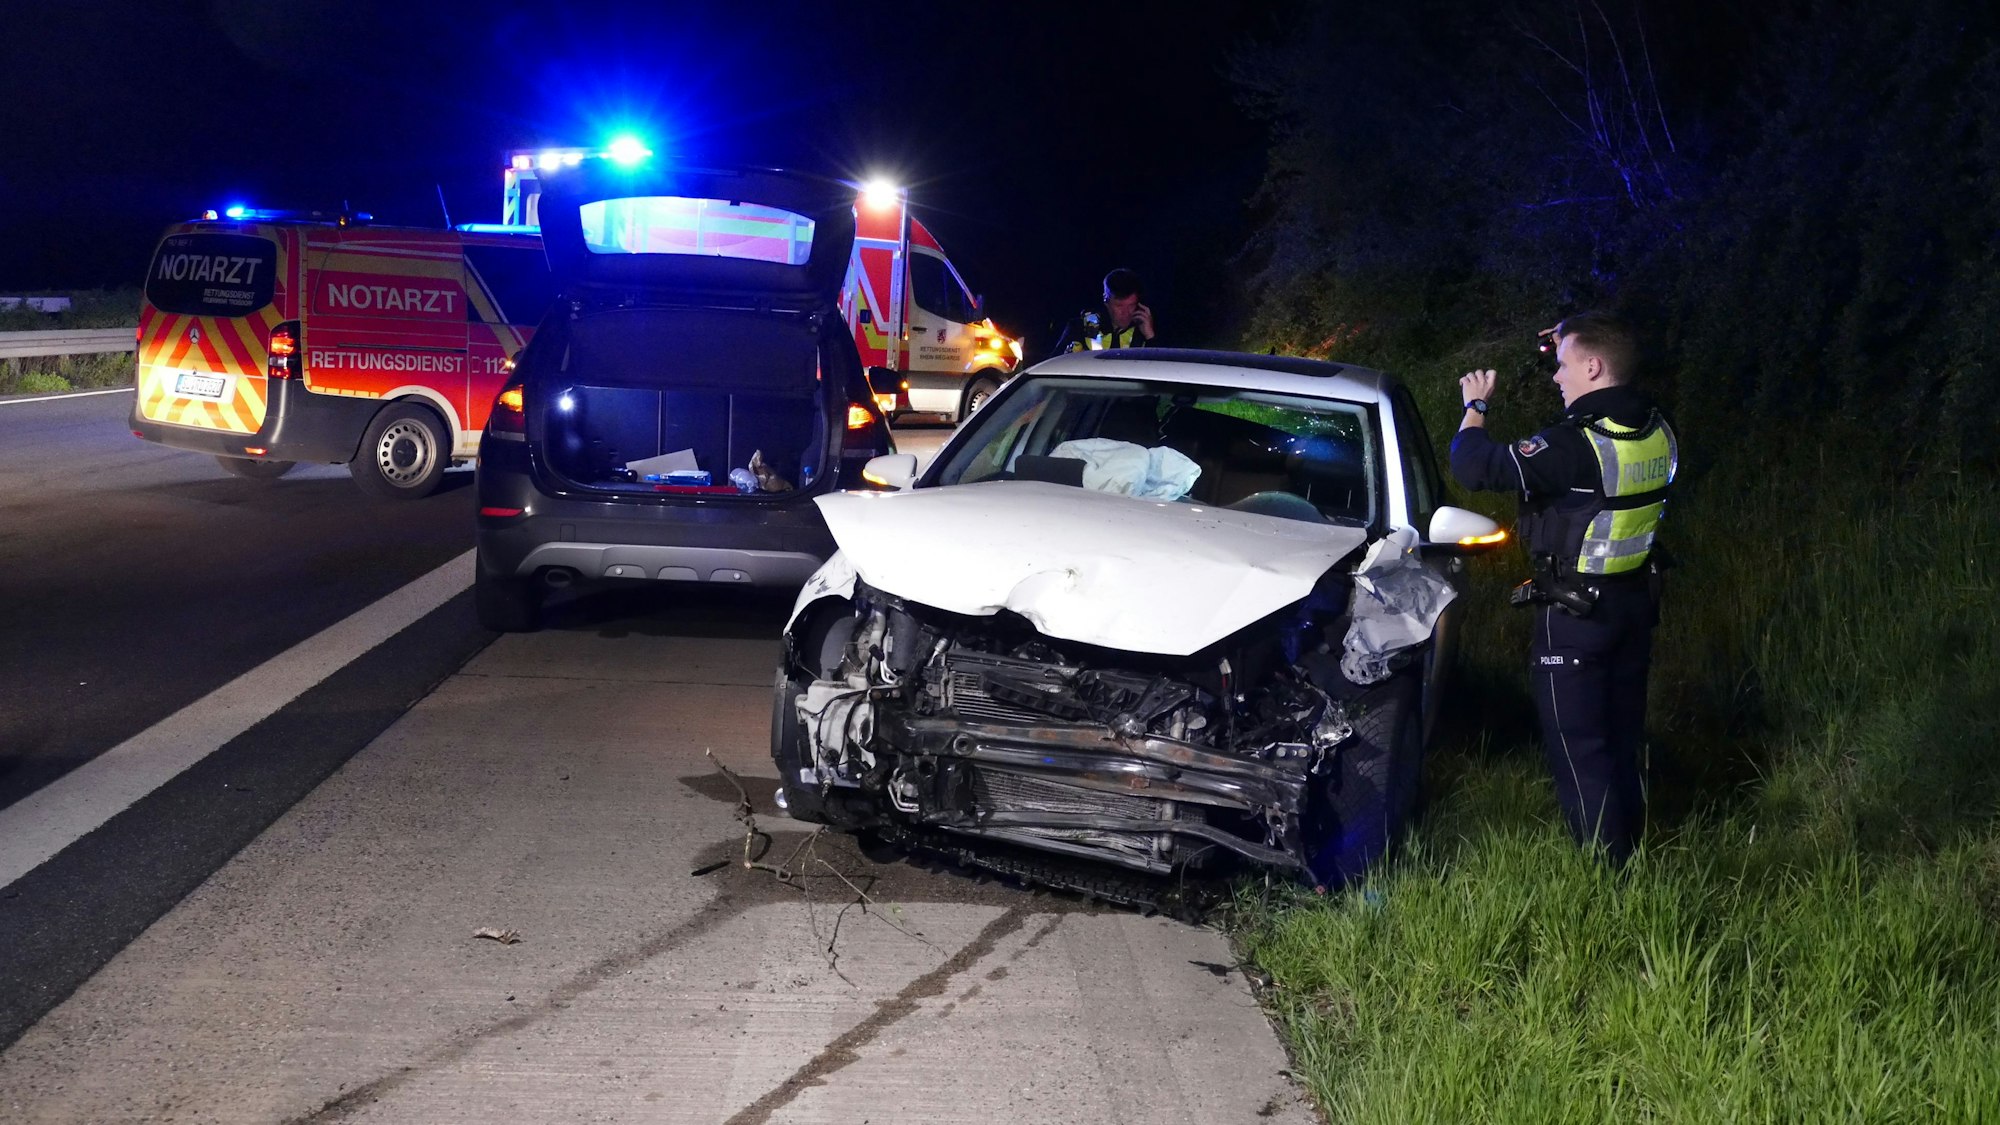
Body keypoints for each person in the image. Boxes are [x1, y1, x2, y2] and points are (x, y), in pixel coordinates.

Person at [1448, 312, 1678, 864]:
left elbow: (1472, 466)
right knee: (1622, 740)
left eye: (1566, 364)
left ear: (1595, 366)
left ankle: (1606, 881)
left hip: (1576, 618)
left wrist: (1475, 405)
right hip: (1633, 607)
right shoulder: (1657, 429)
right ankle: (1634, 853)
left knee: (1581, 751)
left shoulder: (1574, 447)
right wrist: (1568, 335)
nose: (1557, 377)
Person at [1051, 267, 1156, 355]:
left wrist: (1150, 337)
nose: (1126, 312)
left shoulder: (1145, 330)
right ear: (1106, 301)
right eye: (1119, 306)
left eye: (1131, 305)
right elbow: (1053, 366)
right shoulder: (1080, 328)